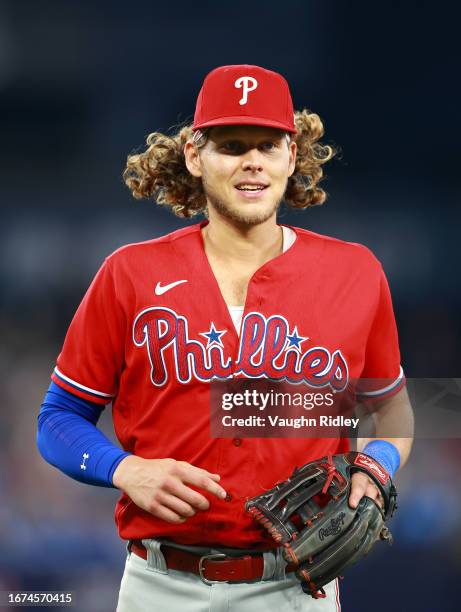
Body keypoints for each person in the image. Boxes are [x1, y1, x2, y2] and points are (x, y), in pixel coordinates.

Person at [37, 64, 414, 611]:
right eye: (231, 144)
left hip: (296, 587)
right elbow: (57, 417)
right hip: (160, 584)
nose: (252, 161)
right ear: (195, 155)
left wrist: (376, 466)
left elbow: (394, 408)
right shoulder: (130, 274)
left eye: (267, 144)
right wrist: (124, 468)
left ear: (292, 155)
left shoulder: (356, 273)